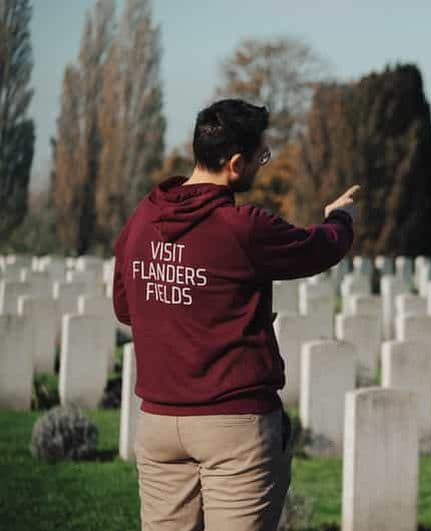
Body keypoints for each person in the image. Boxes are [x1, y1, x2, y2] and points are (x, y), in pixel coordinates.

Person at [112, 98, 359, 530]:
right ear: (236, 163)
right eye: (261, 157)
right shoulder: (242, 227)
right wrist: (341, 218)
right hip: (233, 425)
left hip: (157, 420)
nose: (262, 166)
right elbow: (319, 247)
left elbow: (125, 308)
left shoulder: (142, 219)